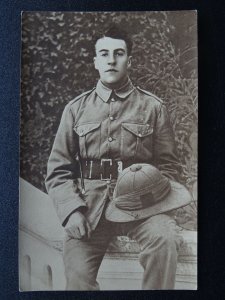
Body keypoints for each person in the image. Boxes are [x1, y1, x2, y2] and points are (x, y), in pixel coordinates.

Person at [45, 24, 186, 290]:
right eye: (105, 54)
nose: (112, 59)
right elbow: (58, 170)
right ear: (95, 61)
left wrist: (154, 200)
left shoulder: (153, 107)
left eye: (119, 53)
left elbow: (169, 167)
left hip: (144, 209)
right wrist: (72, 211)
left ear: (129, 60)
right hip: (91, 211)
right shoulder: (76, 109)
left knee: (164, 240)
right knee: (77, 277)